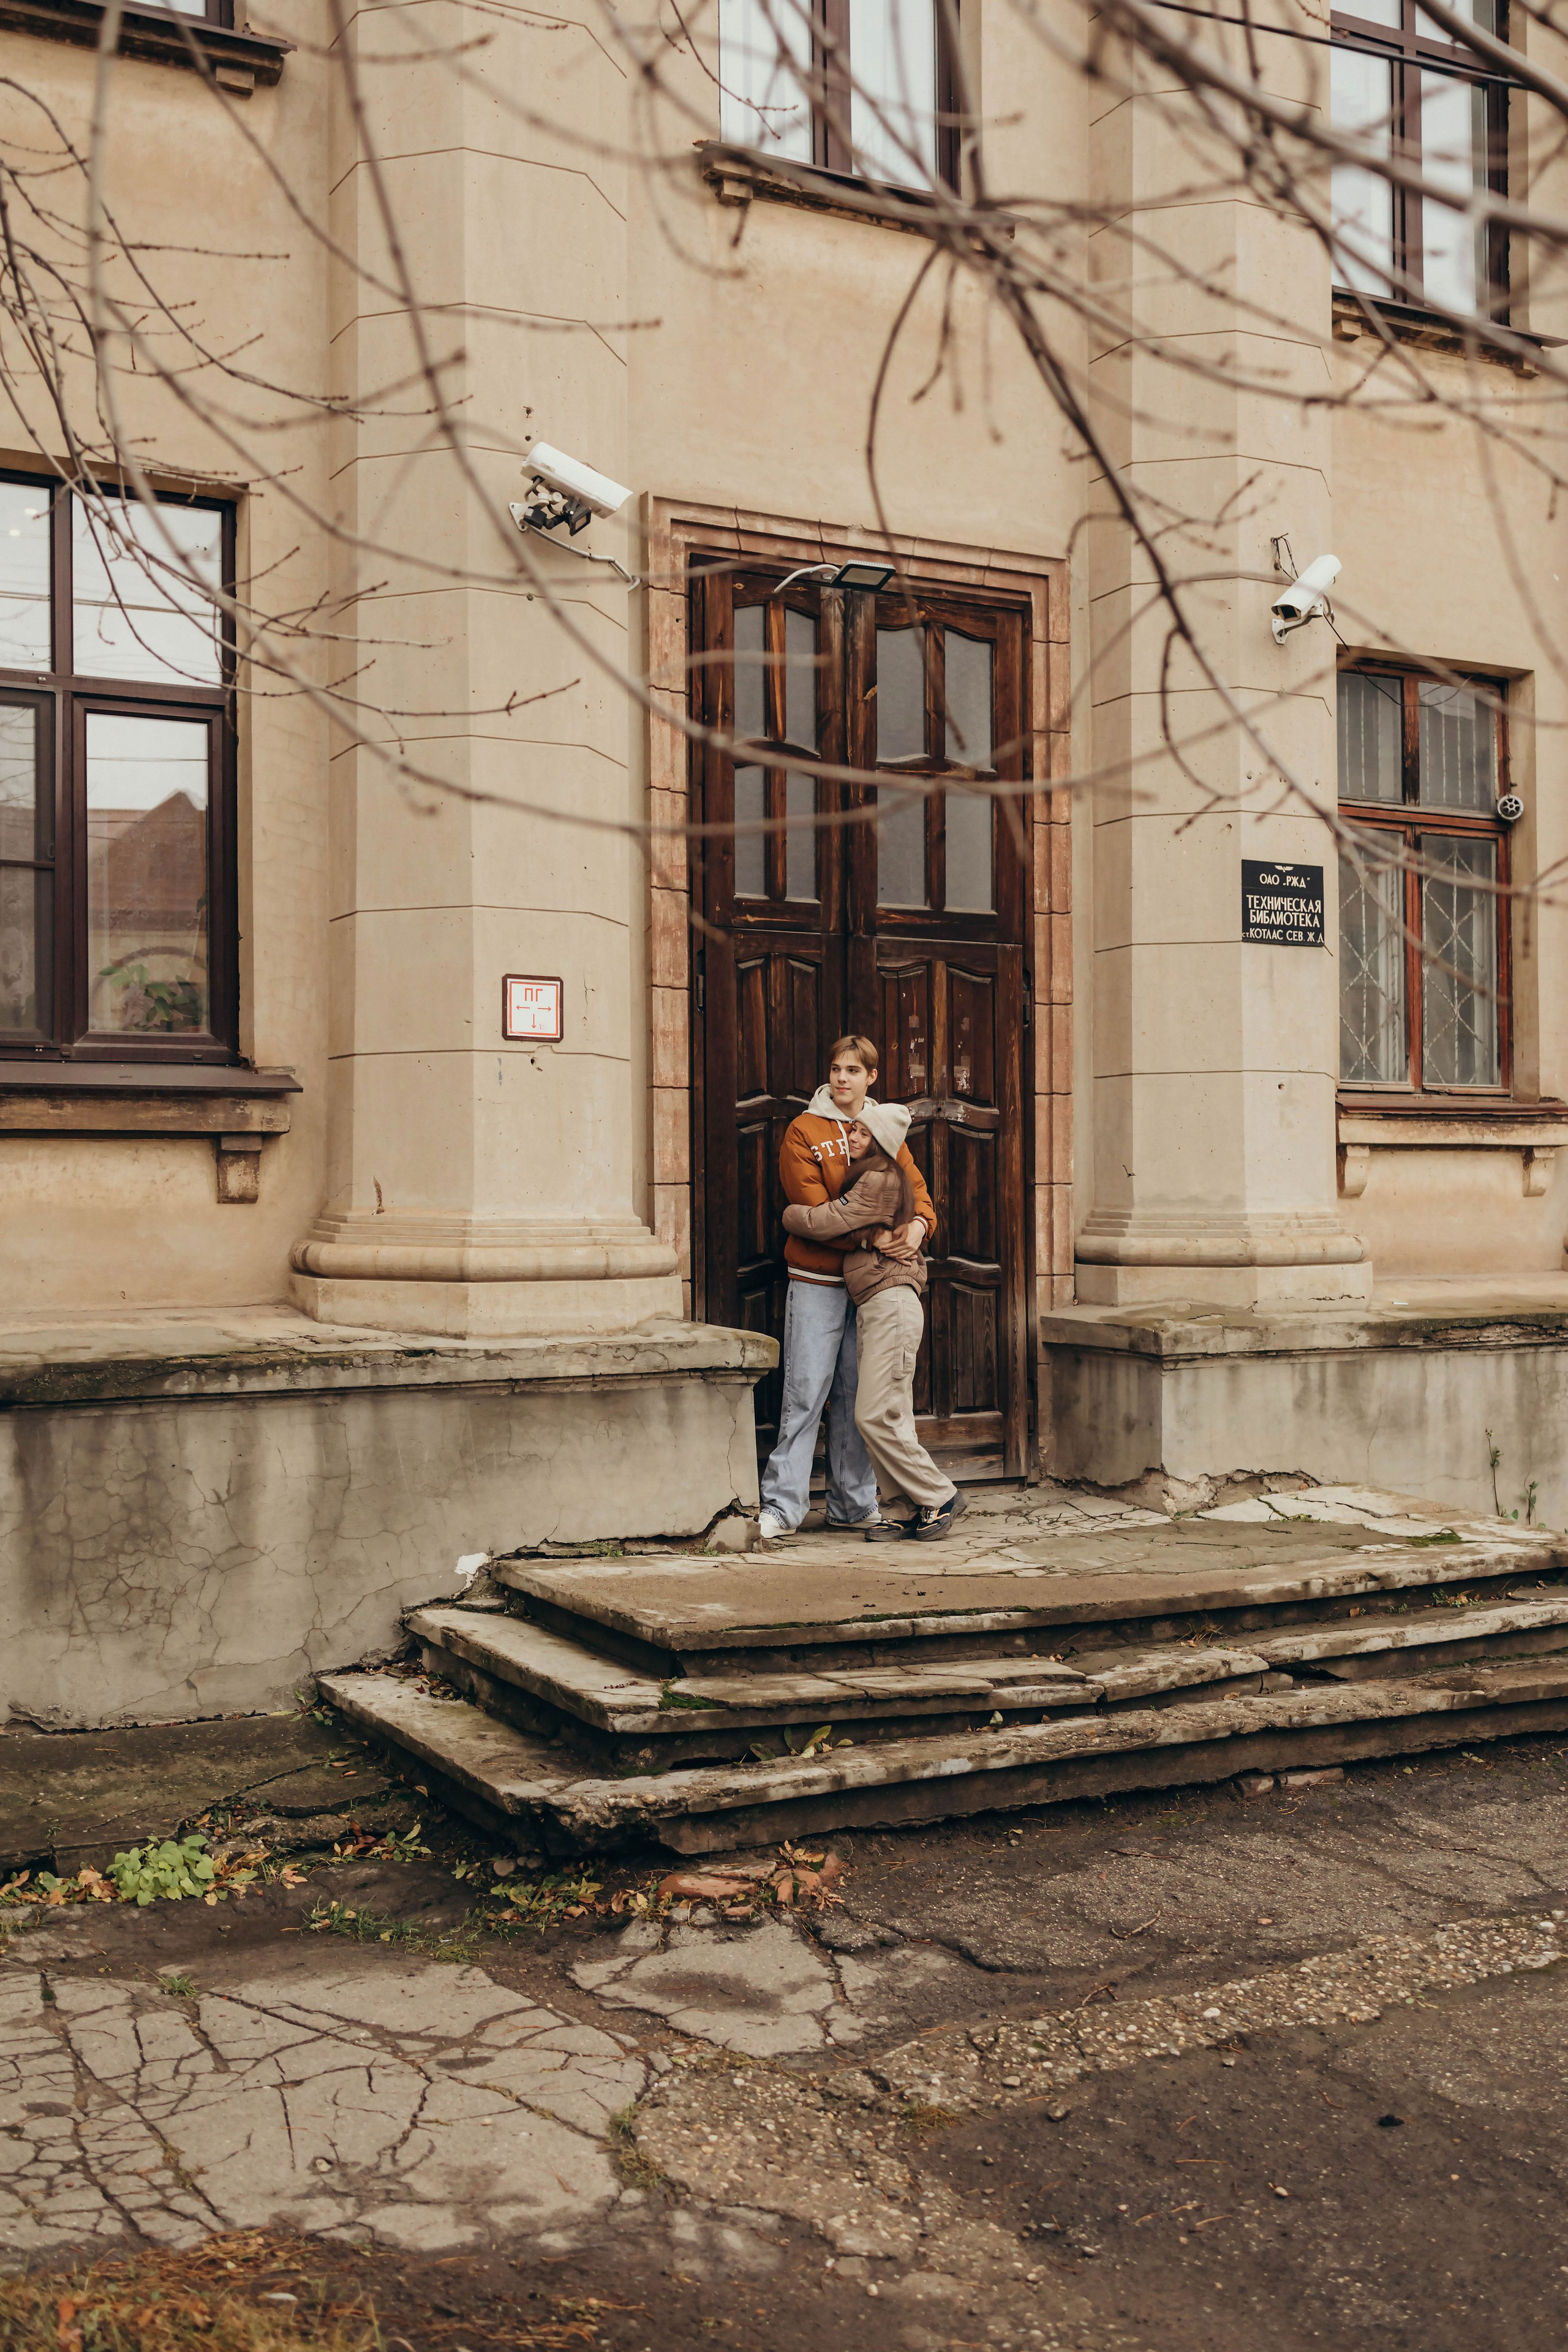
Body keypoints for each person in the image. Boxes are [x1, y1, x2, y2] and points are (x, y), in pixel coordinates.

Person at [756, 1034, 936, 1541]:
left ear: (871, 1078)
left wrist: (920, 1228)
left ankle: (853, 1506)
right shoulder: (803, 1129)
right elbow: (813, 1209)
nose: (842, 1078)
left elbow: (919, 1197)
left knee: (860, 1396)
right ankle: (783, 1506)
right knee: (806, 1393)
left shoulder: (886, 1128)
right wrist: (878, 1231)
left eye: (854, 1071)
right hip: (816, 1280)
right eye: (836, 1068)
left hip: (874, 1288)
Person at [780, 1103, 965, 1542]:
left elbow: (823, 1219)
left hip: (891, 1305)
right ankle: (905, 1508)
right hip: (878, 1304)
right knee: (890, 1412)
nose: (851, 1136)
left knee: (872, 1414)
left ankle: (940, 1494)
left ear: (880, 1142)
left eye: (861, 1132)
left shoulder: (878, 1179)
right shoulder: (875, 1176)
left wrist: (789, 1216)